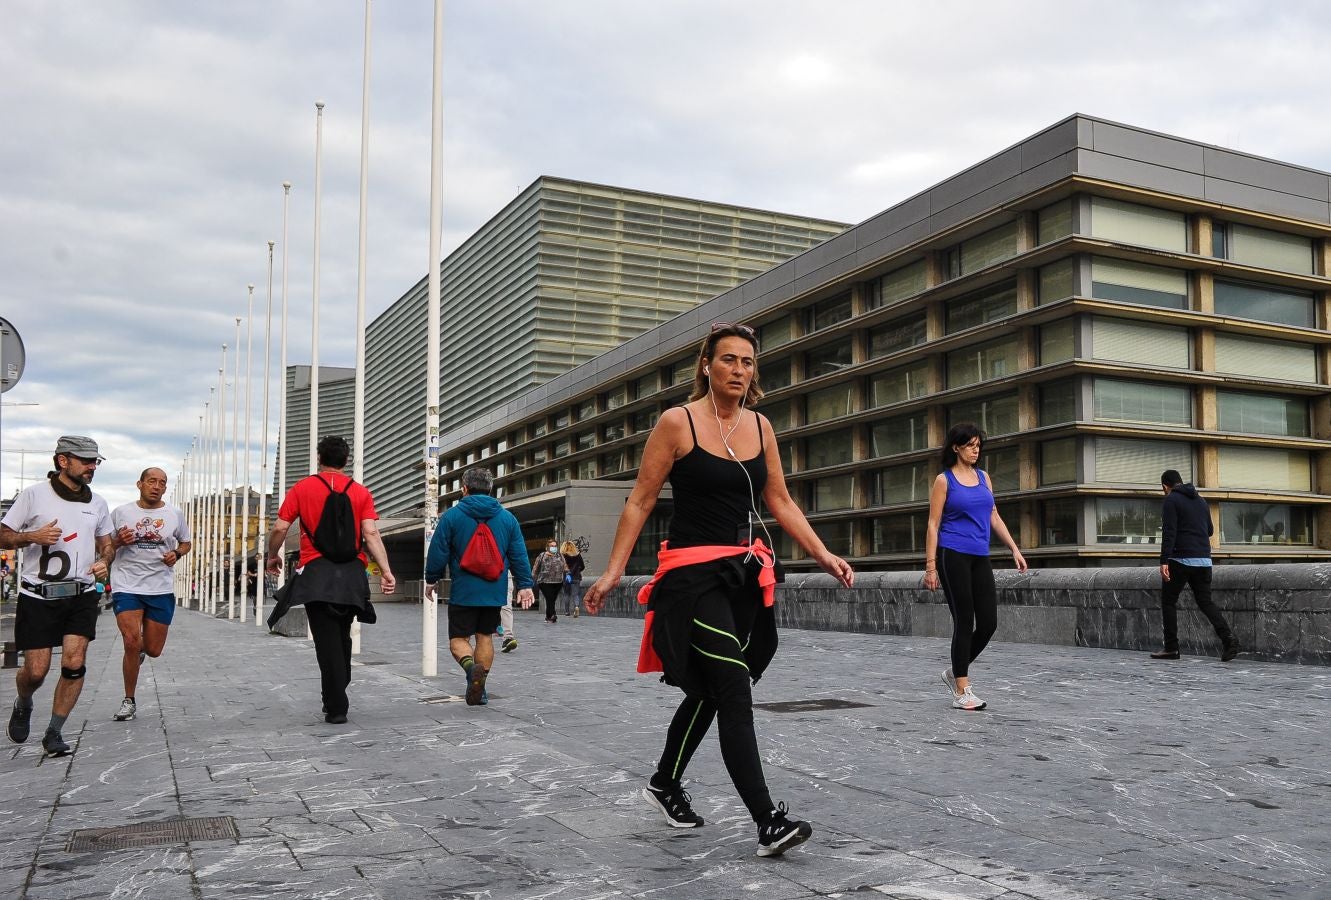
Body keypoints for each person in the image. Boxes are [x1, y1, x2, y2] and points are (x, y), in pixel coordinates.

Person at [583, 322, 854, 859]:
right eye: (728, 360)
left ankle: (664, 782)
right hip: (690, 578)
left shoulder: (760, 426)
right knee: (732, 686)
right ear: (707, 364)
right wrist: (612, 572)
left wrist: (823, 554)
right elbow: (639, 501)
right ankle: (767, 820)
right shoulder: (677, 422)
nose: (738, 370)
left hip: (744, 577)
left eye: (747, 362)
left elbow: (779, 500)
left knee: (710, 691)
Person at [265, 436, 397, 724]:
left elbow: (280, 527)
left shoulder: (302, 488)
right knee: (342, 636)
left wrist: (272, 554)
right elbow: (371, 534)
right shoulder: (361, 492)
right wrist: (386, 569)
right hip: (351, 574)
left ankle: (336, 704)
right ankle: (337, 692)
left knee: (326, 641)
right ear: (346, 460)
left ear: (318, 458)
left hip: (316, 573)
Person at [1, 435, 115, 756]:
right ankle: (24, 702)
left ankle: (54, 731)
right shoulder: (34, 496)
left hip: (80, 595)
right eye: (86, 461)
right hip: (38, 596)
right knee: (36, 671)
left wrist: (104, 561)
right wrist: (31, 536)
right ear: (63, 461)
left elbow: (107, 544)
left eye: (95, 461)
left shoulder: (98, 503)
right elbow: (3, 535)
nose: (93, 467)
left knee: (74, 662)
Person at [922, 423, 1027, 712]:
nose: (976, 449)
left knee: (989, 623)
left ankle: (954, 670)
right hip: (952, 554)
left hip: (980, 556)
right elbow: (932, 524)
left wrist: (1014, 548)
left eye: (978, 444)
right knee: (964, 622)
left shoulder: (984, 478)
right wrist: (930, 566)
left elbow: (994, 515)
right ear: (956, 447)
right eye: (970, 444)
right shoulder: (944, 481)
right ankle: (962, 689)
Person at [424, 467, 534, 705]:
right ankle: (480, 687)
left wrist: (431, 578)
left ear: (464, 488)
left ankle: (470, 668)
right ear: (491, 489)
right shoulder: (507, 518)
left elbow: (438, 550)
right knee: (485, 637)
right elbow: (518, 554)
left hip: (464, 590)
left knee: (458, 640)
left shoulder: (452, 517)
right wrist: (525, 584)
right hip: (493, 591)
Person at [108, 467, 193, 722]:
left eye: (162, 483)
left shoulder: (174, 514)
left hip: (160, 588)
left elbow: (186, 543)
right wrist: (117, 542)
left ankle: (140, 651)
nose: (157, 486)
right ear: (140, 484)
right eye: (152, 481)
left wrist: (177, 554)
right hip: (127, 585)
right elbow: (103, 546)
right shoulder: (121, 512)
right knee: (131, 641)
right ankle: (129, 700)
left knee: (153, 650)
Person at [1150, 470, 1240, 662]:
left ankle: (1171, 648)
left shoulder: (1171, 500)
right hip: (1204, 560)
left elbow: (1169, 532)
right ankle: (1228, 639)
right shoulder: (1200, 500)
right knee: (1205, 602)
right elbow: (1209, 530)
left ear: (1165, 486)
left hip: (1180, 559)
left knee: (1168, 601)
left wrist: (1164, 560)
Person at [531, 539, 567, 623]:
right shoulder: (542, 555)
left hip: (558, 581)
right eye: (552, 546)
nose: (554, 547)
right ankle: (552, 615)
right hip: (544, 581)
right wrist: (532, 578)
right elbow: (535, 568)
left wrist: (568, 574)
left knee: (552, 599)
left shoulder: (560, 556)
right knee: (550, 597)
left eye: (555, 546)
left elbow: (565, 566)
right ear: (547, 547)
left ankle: (548, 616)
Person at [559, 540, 585, 618]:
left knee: (566, 594)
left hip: (567, 577)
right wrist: (577, 571)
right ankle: (576, 607)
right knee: (575, 594)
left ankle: (567, 612)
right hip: (576, 577)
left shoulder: (562, 556)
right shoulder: (578, 555)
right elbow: (583, 566)